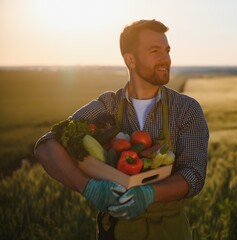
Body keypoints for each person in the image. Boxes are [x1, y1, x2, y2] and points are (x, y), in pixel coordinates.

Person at [35, 19, 209, 240]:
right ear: (130, 60)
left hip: (169, 229)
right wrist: (88, 188)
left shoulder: (186, 109)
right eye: (155, 51)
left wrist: (149, 194)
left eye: (167, 50)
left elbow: (194, 175)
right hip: (116, 230)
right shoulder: (108, 105)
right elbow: (46, 146)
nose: (166, 58)